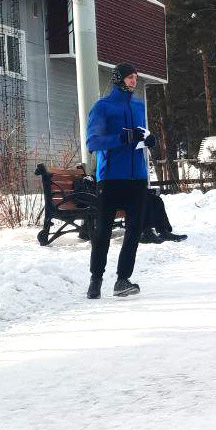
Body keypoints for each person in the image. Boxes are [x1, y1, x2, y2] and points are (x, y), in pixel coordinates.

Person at [86, 64, 155, 299]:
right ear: (118, 79)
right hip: (111, 178)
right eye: (129, 77)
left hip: (137, 178)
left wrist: (149, 139)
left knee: (134, 230)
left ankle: (122, 280)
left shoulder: (138, 106)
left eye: (136, 77)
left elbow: (141, 134)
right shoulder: (102, 107)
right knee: (103, 230)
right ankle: (96, 279)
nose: (134, 81)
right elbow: (93, 142)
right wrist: (121, 137)